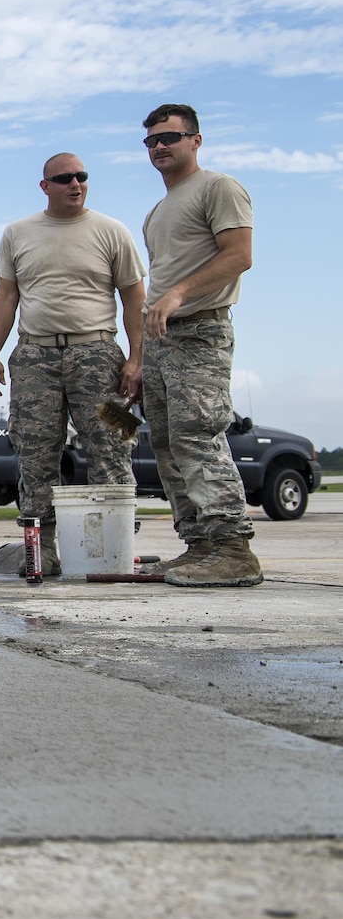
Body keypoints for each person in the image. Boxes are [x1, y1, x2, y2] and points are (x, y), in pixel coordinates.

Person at [0, 153, 146, 577]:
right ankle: (43, 551)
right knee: (35, 455)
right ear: (45, 186)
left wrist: (136, 359)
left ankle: (114, 548)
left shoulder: (111, 231)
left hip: (97, 354)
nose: (76, 184)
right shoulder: (18, 233)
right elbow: (5, 297)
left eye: (82, 176)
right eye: (65, 178)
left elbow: (134, 300)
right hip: (35, 355)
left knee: (111, 448)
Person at [139, 104, 260, 587]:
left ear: (195, 140)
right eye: (151, 141)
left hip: (200, 332)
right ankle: (200, 546)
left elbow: (239, 256)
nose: (160, 147)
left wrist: (177, 294)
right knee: (167, 444)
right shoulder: (159, 210)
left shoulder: (218, 188)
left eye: (170, 137)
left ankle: (233, 549)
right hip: (163, 340)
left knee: (198, 436)